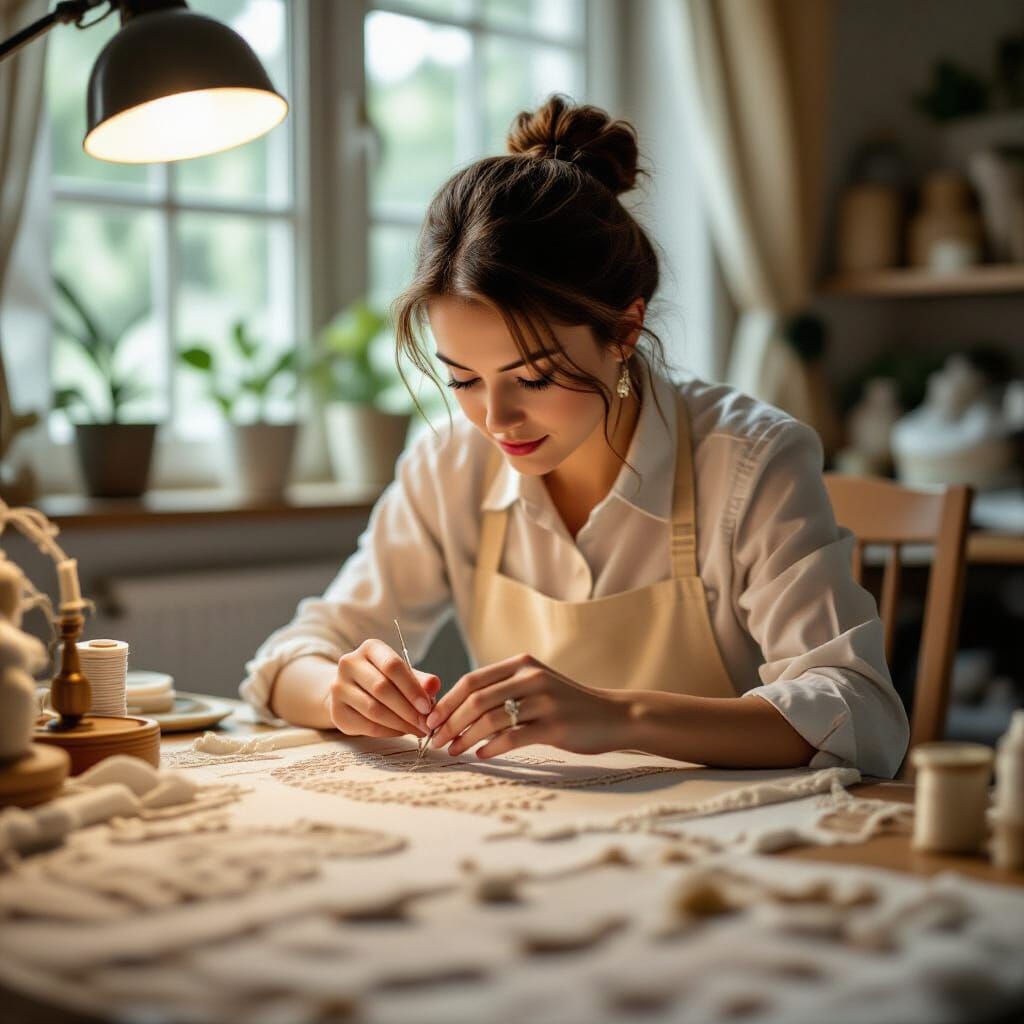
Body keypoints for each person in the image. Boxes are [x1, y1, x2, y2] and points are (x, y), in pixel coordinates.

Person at [241, 95, 909, 779]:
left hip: (718, 848)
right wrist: (341, 691)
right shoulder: (449, 462)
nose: (496, 420)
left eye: (532, 378)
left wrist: (620, 718)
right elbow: (292, 655)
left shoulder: (749, 460)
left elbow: (859, 709)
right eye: (464, 380)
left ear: (623, 331)